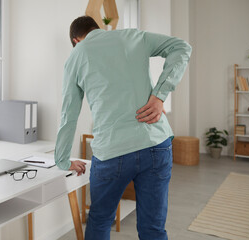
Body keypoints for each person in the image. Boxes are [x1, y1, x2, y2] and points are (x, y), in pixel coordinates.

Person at [54, 16, 192, 240]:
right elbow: (181, 47)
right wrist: (159, 96)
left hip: (112, 152)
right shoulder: (132, 36)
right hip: (155, 143)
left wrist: (63, 160)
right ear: (96, 29)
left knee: (99, 221)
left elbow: (68, 114)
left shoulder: (77, 55)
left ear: (76, 40)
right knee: (153, 229)